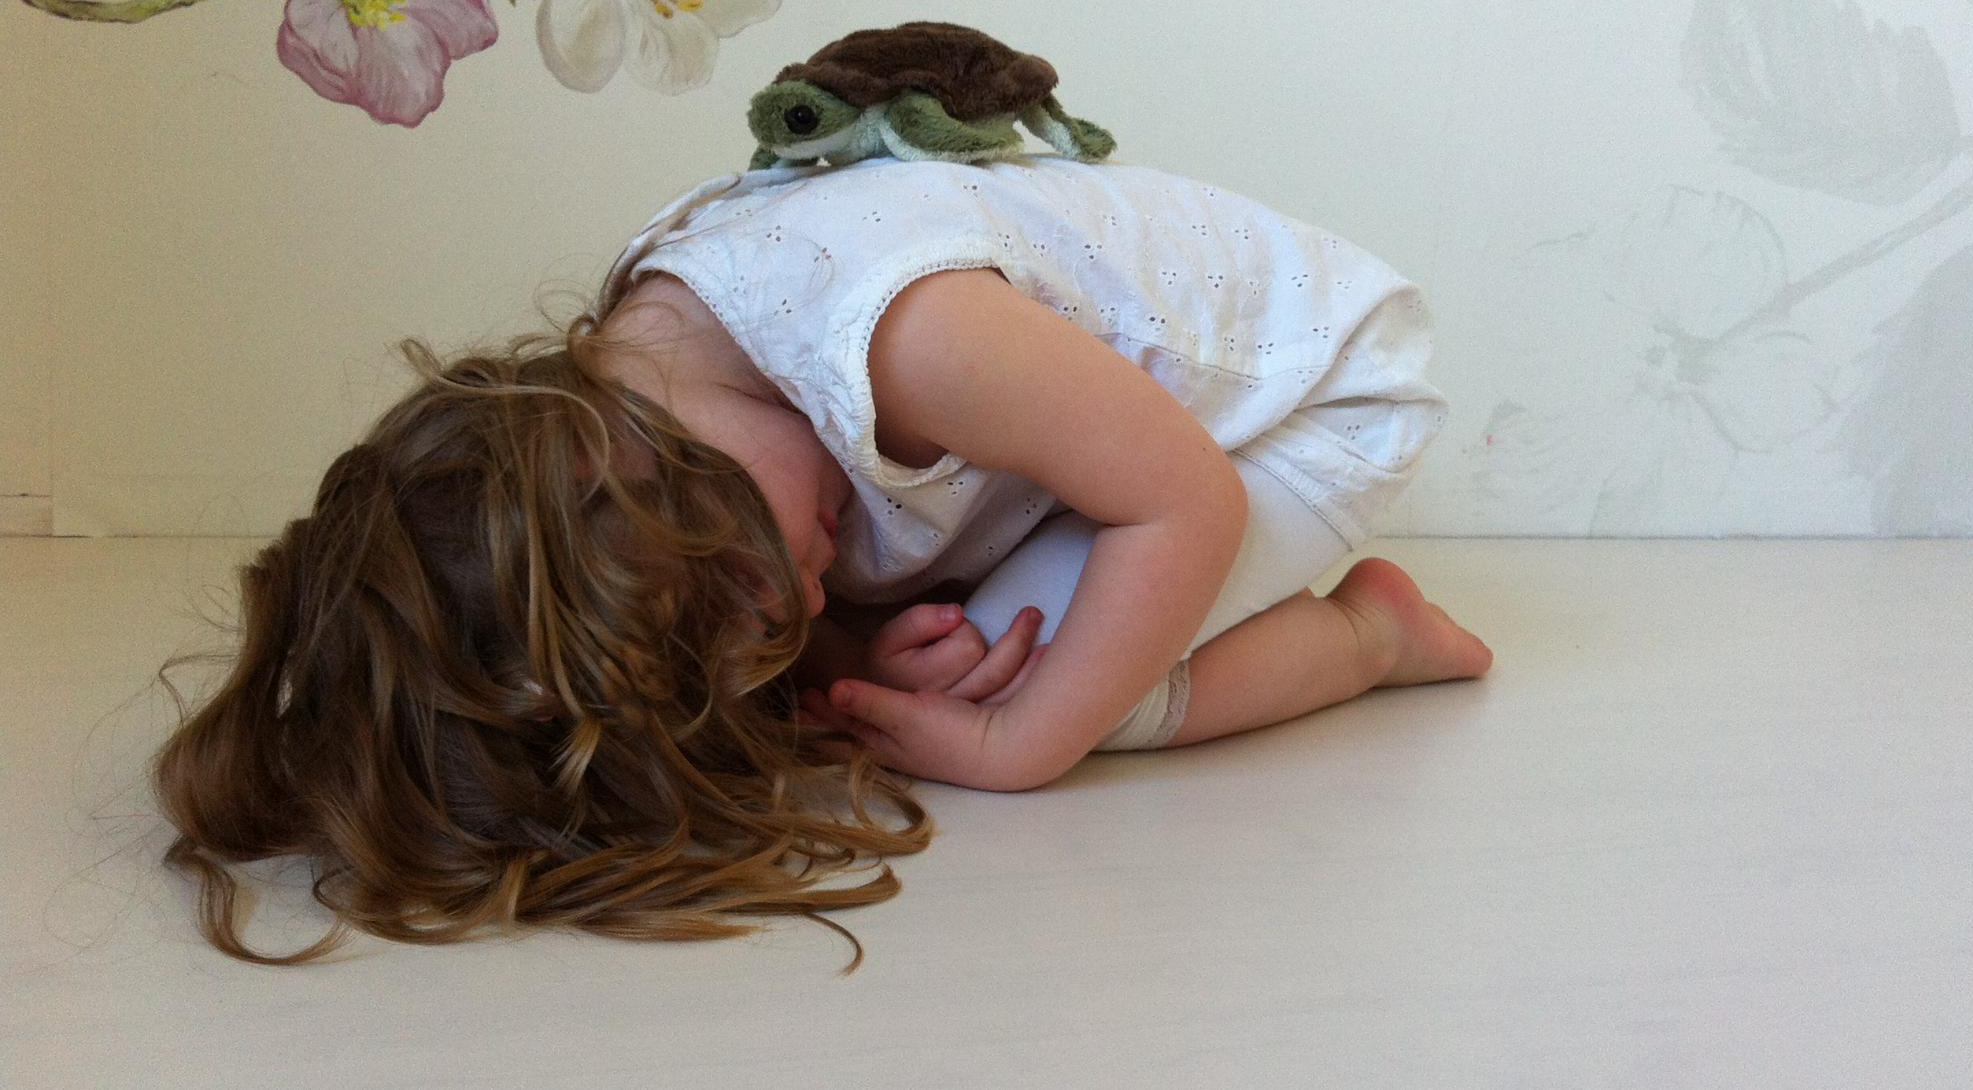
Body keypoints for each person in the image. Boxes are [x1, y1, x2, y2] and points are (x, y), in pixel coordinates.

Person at [150, 153, 1491, 967]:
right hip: (1119, 456)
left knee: (1066, 692)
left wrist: (1027, 745)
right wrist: (855, 646)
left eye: (753, 589)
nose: (797, 607)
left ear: (613, 457)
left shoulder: (906, 337)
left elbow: (1183, 503)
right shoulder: (670, 382)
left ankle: (1367, 636)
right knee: (947, 658)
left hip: (1307, 400)